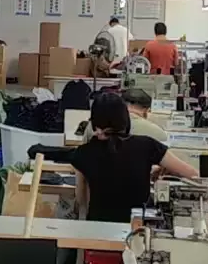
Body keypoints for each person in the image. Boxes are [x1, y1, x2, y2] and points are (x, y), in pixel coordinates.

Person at [66, 94, 198, 223]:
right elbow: (192, 174)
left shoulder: (83, 153)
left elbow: (81, 199)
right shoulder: (147, 145)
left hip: (99, 228)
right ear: (125, 118)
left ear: (94, 122)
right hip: (137, 227)